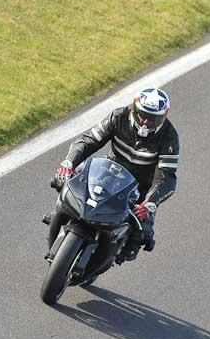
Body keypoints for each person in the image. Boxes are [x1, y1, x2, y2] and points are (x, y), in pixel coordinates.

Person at [52, 87, 180, 262]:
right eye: (142, 114)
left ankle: (122, 250)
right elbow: (89, 140)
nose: (145, 122)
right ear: (134, 109)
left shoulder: (169, 137)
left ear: (163, 117)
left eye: (153, 118)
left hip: (142, 185)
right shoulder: (118, 116)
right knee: (67, 179)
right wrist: (68, 163)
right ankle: (59, 213)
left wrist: (149, 202)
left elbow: (166, 176)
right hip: (110, 170)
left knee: (143, 229)